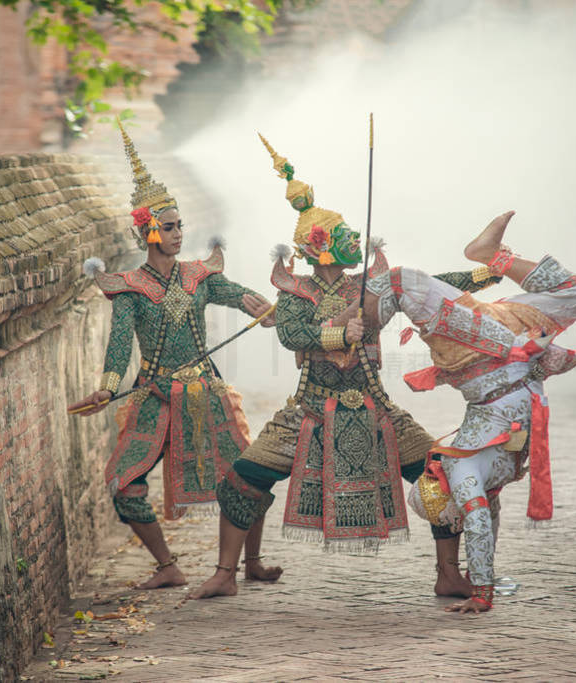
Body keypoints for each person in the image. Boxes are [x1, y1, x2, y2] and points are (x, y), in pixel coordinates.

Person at [190, 136, 503, 599]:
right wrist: (339, 335)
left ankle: (447, 573)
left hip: (375, 408)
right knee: (242, 479)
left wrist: (485, 272)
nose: (353, 238)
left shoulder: (372, 286)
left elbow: (428, 286)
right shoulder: (294, 291)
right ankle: (228, 572)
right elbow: (291, 335)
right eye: (343, 234)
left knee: (441, 475)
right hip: (310, 410)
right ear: (320, 246)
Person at [68, 124, 282, 589]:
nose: (179, 233)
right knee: (124, 485)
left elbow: (235, 293)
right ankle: (168, 567)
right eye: (168, 227)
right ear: (146, 231)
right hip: (155, 395)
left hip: (205, 389)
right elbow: (120, 342)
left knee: (248, 479)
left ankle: (252, 562)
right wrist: (106, 388)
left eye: (181, 225)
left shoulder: (198, 276)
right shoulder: (128, 288)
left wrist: (267, 308)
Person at [362, 209, 576, 613]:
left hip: (478, 346)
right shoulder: (483, 479)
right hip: (501, 352)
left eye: (434, 481)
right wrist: (481, 589)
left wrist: (358, 331)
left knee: (398, 282)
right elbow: (486, 523)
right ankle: (492, 255)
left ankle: (362, 321)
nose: (466, 509)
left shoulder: (464, 472)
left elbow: (480, 523)